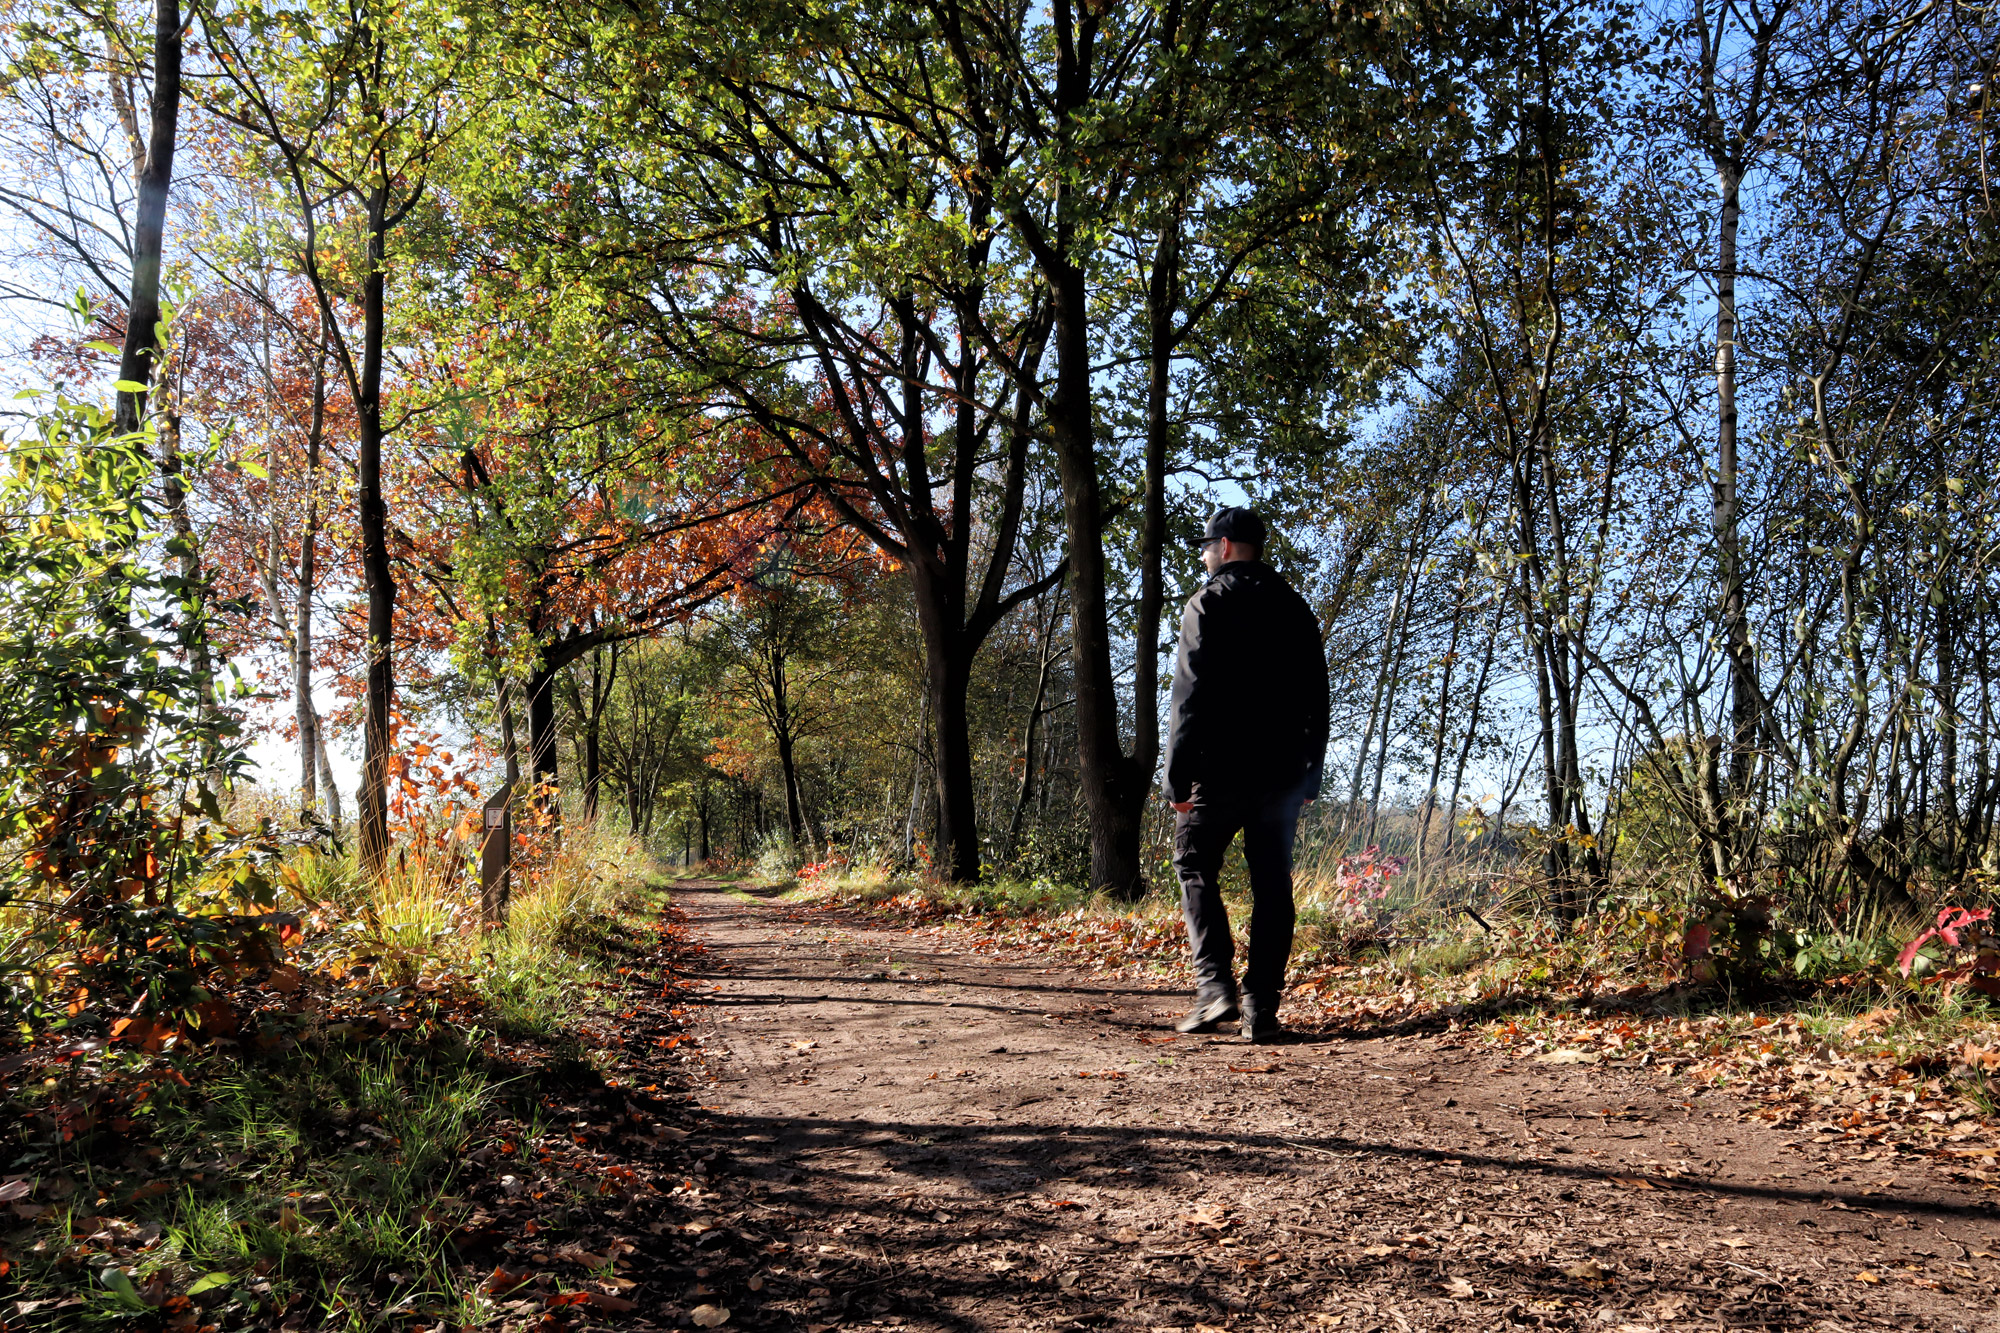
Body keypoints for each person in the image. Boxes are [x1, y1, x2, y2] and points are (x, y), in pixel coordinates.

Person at [1163, 506, 1330, 1042]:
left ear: (1228, 546)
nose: (1204, 554)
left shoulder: (1208, 602)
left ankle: (1215, 990)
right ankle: (1262, 1008)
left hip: (1218, 770)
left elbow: (1188, 696)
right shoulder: (1295, 607)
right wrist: (1311, 773)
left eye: (1207, 546)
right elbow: (1316, 698)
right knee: (1272, 886)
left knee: (1193, 865)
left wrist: (1176, 777)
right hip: (1281, 774)